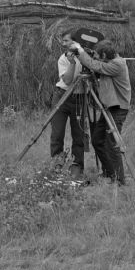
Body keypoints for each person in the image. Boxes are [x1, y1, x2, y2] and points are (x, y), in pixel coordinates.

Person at [71, 39, 131, 185]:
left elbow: (95, 66)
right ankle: (110, 173)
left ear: (105, 54)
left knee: (112, 144)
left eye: (99, 55)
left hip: (118, 108)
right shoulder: (111, 62)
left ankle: (120, 180)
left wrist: (80, 51)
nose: (96, 57)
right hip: (109, 107)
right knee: (98, 140)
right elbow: (97, 68)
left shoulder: (117, 64)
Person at [49, 29, 101, 179]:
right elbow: (67, 80)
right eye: (63, 41)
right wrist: (72, 63)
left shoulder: (85, 56)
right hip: (62, 96)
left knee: (78, 135)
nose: (63, 44)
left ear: (76, 42)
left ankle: (77, 169)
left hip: (79, 98)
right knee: (57, 134)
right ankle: (56, 167)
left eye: (66, 41)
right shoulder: (63, 59)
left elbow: (95, 72)